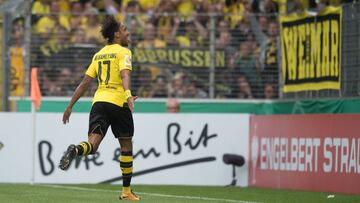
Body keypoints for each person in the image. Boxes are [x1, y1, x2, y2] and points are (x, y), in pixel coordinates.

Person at [58, 15, 140, 201]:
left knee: (92, 145)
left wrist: (70, 106)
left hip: (99, 103)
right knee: (126, 145)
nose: (128, 32)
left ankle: (76, 150)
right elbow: (125, 74)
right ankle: (126, 192)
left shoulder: (99, 54)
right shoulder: (124, 52)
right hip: (118, 102)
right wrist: (127, 95)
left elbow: (84, 83)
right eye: (125, 29)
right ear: (117, 34)